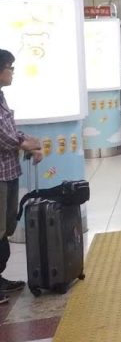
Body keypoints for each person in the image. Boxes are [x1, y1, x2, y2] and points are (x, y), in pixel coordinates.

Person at [0, 49, 42, 304]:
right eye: (10, 67)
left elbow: (10, 129)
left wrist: (28, 141)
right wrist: (26, 144)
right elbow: (4, 135)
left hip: (8, 171)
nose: (13, 72)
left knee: (5, 226)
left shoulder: (1, 97)